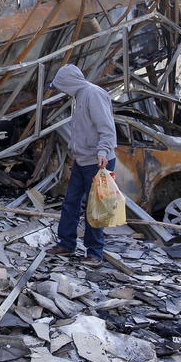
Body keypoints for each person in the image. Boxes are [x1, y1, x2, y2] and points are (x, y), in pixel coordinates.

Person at [45, 64, 117, 268]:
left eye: (61, 86)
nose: (61, 91)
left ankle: (94, 253)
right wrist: (75, 154)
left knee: (96, 208)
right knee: (70, 203)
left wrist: (103, 151)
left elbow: (107, 128)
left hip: (98, 160)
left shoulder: (93, 94)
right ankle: (66, 244)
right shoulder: (79, 97)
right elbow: (82, 131)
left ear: (68, 82)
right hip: (83, 159)